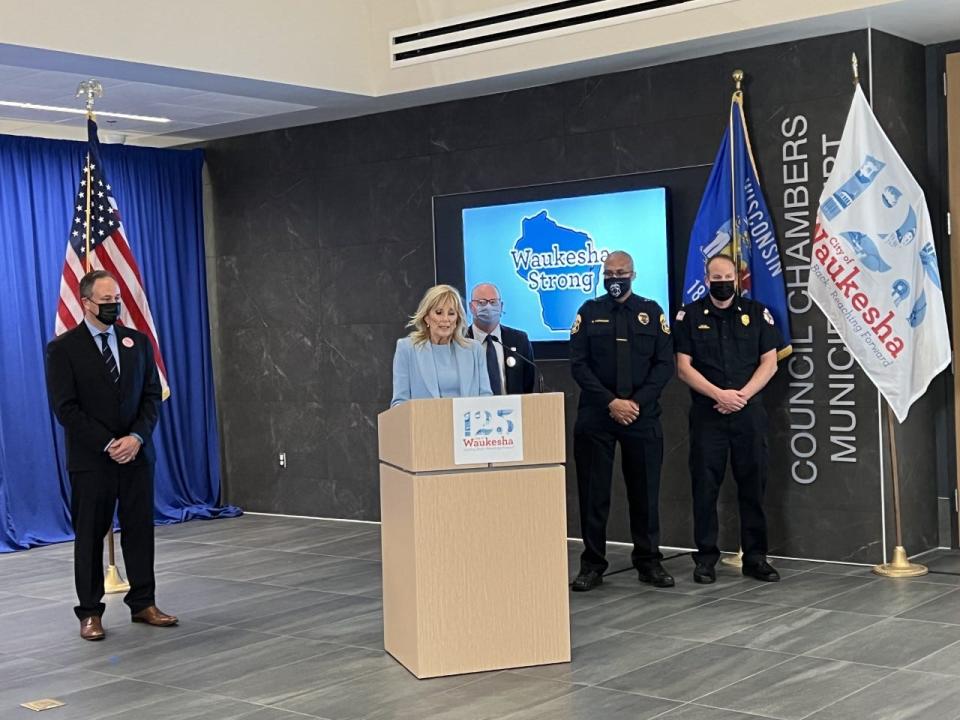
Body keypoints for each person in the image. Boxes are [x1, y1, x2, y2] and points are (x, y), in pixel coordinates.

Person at [44, 270, 177, 641]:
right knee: (89, 535)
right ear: (85, 303)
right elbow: (65, 409)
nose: (113, 306)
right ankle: (90, 612)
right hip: (92, 460)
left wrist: (135, 437)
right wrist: (108, 443)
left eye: (115, 299)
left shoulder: (138, 342)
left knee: (139, 531)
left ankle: (144, 603)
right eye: (105, 301)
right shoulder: (63, 349)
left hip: (137, 455)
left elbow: (152, 396)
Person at [570, 251, 674, 591]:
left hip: (642, 416)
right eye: (609, 273)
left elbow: (663, 366)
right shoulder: (589, 312)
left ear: (633, 274)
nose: (615, 278)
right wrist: (612, 402)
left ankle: (648, 561)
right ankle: (592, 564)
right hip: (597, 414)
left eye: (621, 272)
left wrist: (634, 404)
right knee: (594, 492)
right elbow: (579, 365)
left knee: (645, 492)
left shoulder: (652, 312)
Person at [673, 254, 780, 584]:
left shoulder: (756, 313)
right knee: (705, 489)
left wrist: (741, 396)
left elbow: (770, 363)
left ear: (738, 279)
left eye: (727, 277)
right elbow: (683, 367)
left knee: (753, 486)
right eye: (715, 278)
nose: (722, 283)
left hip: (748, 414)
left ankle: (756, 557)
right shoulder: (688, 316)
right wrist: (719, 395)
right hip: (709, 415)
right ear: (707, 280)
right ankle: (705, 559)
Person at [391, 284, 493, 406]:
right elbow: (399, 402)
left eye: (451, 313)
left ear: (457, 319)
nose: (446, 319)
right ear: (427, 318)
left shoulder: (474, 350)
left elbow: (486, 398)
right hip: (425, 423)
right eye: (439, 313)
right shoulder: (407, 348)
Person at [466, 282, 537, 395]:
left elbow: (528, 383)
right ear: (471, 307)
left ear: (501, 306)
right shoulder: (460, 340)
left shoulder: (519, 340)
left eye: (493, 302)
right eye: (482, 302)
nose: (488, 307)